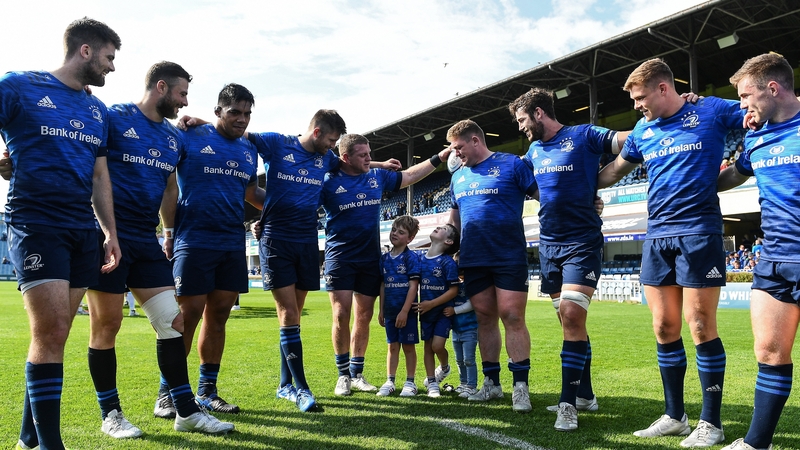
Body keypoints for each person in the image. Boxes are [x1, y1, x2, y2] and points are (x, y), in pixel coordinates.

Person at [82, 62, 234, 438]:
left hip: (146, 241)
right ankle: (111, 413)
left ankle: (185, 410)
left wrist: (168, 231)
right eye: (182, 94)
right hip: (108, 236)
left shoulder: (174, 137)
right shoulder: (114, 117)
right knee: (107, 325)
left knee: (174, 322)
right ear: (161, 87)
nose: (185, 102)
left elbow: (170, 188)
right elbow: (84, 160)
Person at [597, 58, 744, 447]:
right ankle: (674, 415)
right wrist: (572, 191)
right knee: (664, 328)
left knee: (699, 326)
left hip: (699, 234)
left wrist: (741, 167)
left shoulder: (710, 109)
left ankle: (710, 423)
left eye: (640, 97)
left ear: (664, 88)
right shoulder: (643, 130)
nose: (636, 105)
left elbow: (757, 109)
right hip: (657, 236)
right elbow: (613, 171)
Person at [0, 17, 122, 450]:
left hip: (82, 229)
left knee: (57, 335)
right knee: (49, 334)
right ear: (85, 51)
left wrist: (109, 231)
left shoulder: (97, 110)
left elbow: (100, 176)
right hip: (36, 223)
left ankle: (27, 437)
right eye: (109, 57)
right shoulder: (18, 85)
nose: (112, 67)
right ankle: (52, 445)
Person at [509, 87, 630, 430]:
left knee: (572, 315)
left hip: (582, 242)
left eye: (521, 120)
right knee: (568, 322)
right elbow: (528, 186)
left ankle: (567, 404)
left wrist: (678, 109)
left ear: (537, 113)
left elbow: (629, 139)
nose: (520, 127)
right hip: (548, 246)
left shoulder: (584, 134)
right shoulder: (533, 151)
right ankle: (585, 395)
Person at [161, 83, 264, 416]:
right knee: (187, 316)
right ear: (218, 111)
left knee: (218, 315)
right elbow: (167, 180)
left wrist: (289, 205)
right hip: (194, 239)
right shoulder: (190, 136)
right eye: (235, 112)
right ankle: (169, 392)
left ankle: (206, 391)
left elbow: (252, 193)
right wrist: (169, 231)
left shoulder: (250, 150)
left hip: (231, 242)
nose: (242, 119)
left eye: (247, 113)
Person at [321, 133, 450, 396]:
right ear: (345, 158)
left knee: (364, 316)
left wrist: (439, 158)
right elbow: (300, 200)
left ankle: (357, 373)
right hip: (340, 258)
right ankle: (343, 374)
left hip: (370, 258)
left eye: (371, 153)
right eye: (364, 155)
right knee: (341, 315)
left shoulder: (376, 177)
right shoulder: (328, 182)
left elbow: (411, 176)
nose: (370, 158)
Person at [717, 53, 800, 450]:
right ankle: (756, 443)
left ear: (773, 88)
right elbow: (736, 174)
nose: (742, 106)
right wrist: (702, 175)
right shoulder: (755, 136)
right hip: (773, 260)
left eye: (746, 96)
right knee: (768, 350)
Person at [245, 110, 347, 412]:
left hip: (306, 242)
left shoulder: (326, 158)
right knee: (288, 313)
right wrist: (200, 123)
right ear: (317, 133)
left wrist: (379, 164)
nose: (332, 147)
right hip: (276, 239)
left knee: (294, 317)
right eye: (330, 140)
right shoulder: (277, 144)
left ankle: (284, 385)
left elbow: (349, 162)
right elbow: (238, 131)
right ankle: (301, 389)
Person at [447, 119, 538, 413]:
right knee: (485, 318)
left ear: (475, 140)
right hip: (473, 258)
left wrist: (589, 201)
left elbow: (543, 196)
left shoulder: (512, 164)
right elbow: (454, 221)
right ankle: (492, 384)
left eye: (459, 147)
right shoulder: (457, 177)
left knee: (512, 316)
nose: (456, 153)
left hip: (508, 254)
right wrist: (446, 249)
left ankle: (521, 387)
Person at [376, 215, 421, 397]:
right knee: (392, 346)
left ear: (410, 238)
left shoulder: (411, 258)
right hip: (390, 311)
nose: (395, 233)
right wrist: (381, 310)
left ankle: (410, 382)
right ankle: (390, 380)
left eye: (401, 232)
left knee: (408, 347)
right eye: (394, 229)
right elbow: (383, 285)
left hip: (406, 313)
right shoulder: (384, 258)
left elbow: (413, 286)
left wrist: (404, 311)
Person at [416, 224, 460, 397]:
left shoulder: (447, 262)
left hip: (442, 312)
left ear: (448, 241)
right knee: (427, 347)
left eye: (442, 228)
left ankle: (444, 367)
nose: (437, 227)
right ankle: (432, 383)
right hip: (425, 312)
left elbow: (453, 290)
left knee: (437, 346)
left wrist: (431, 304)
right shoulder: (419, 258)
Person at [443, 265, 479, 398]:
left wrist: (455, 311)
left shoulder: (470, 285)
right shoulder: (453, 286)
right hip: (456, 329)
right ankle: (463, 383)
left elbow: (472, 304)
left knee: (469, 359)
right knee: (459, 360)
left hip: (469, 328)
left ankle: (471, 385)